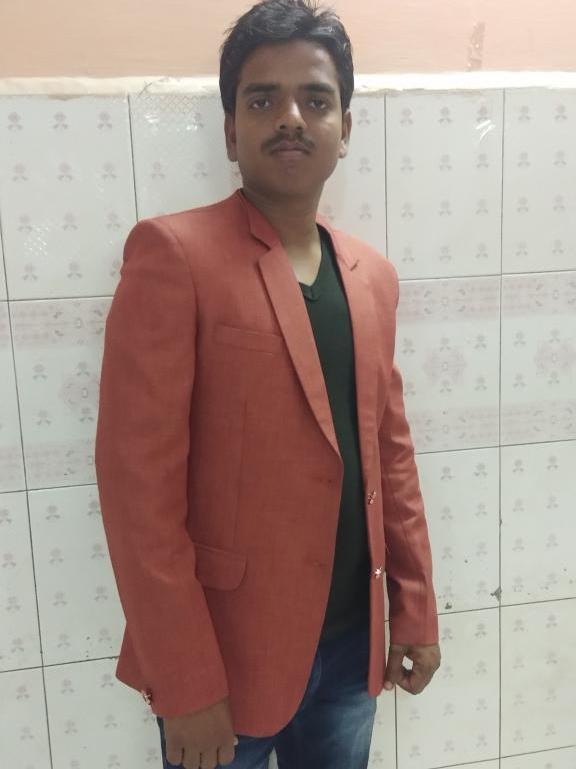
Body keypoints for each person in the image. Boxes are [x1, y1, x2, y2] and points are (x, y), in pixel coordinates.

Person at [94, 1, 441, 767]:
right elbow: (137, 494)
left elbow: (391, 457)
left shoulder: (373, 277)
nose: (291, 117)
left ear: (344, 129)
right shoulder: (174, 257)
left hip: (352, 653)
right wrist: (184, 680)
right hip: (225, 660)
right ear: (230, 130)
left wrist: (413, 607)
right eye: (263, 100)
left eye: (315, 99)